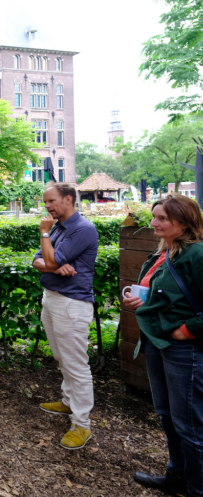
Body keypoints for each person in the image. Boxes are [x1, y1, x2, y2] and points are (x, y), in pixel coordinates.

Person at [124, 195, 203, 496]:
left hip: (184, 348)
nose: (153, 223)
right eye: (154, 217)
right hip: (158, 342)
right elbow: (164, 294)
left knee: (190, 425)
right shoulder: (165, 251)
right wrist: (140, 298)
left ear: (183, 222)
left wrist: (186, 330)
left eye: (162, 219)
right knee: (168, 416)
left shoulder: (196, 254)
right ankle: (176, 478)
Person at [32, 183, 99, 450]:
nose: (46, 207)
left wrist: (45, 236)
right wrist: (55, 268)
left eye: (51, 201)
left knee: (76, 364)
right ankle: (68, 402)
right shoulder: (59, 226)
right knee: (61, 356)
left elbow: (47, 261)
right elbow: (38, 260)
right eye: (45, 202)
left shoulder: (82, 229)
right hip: (53, 298)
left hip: (72, 304)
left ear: (68, 199)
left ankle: (82, 424)